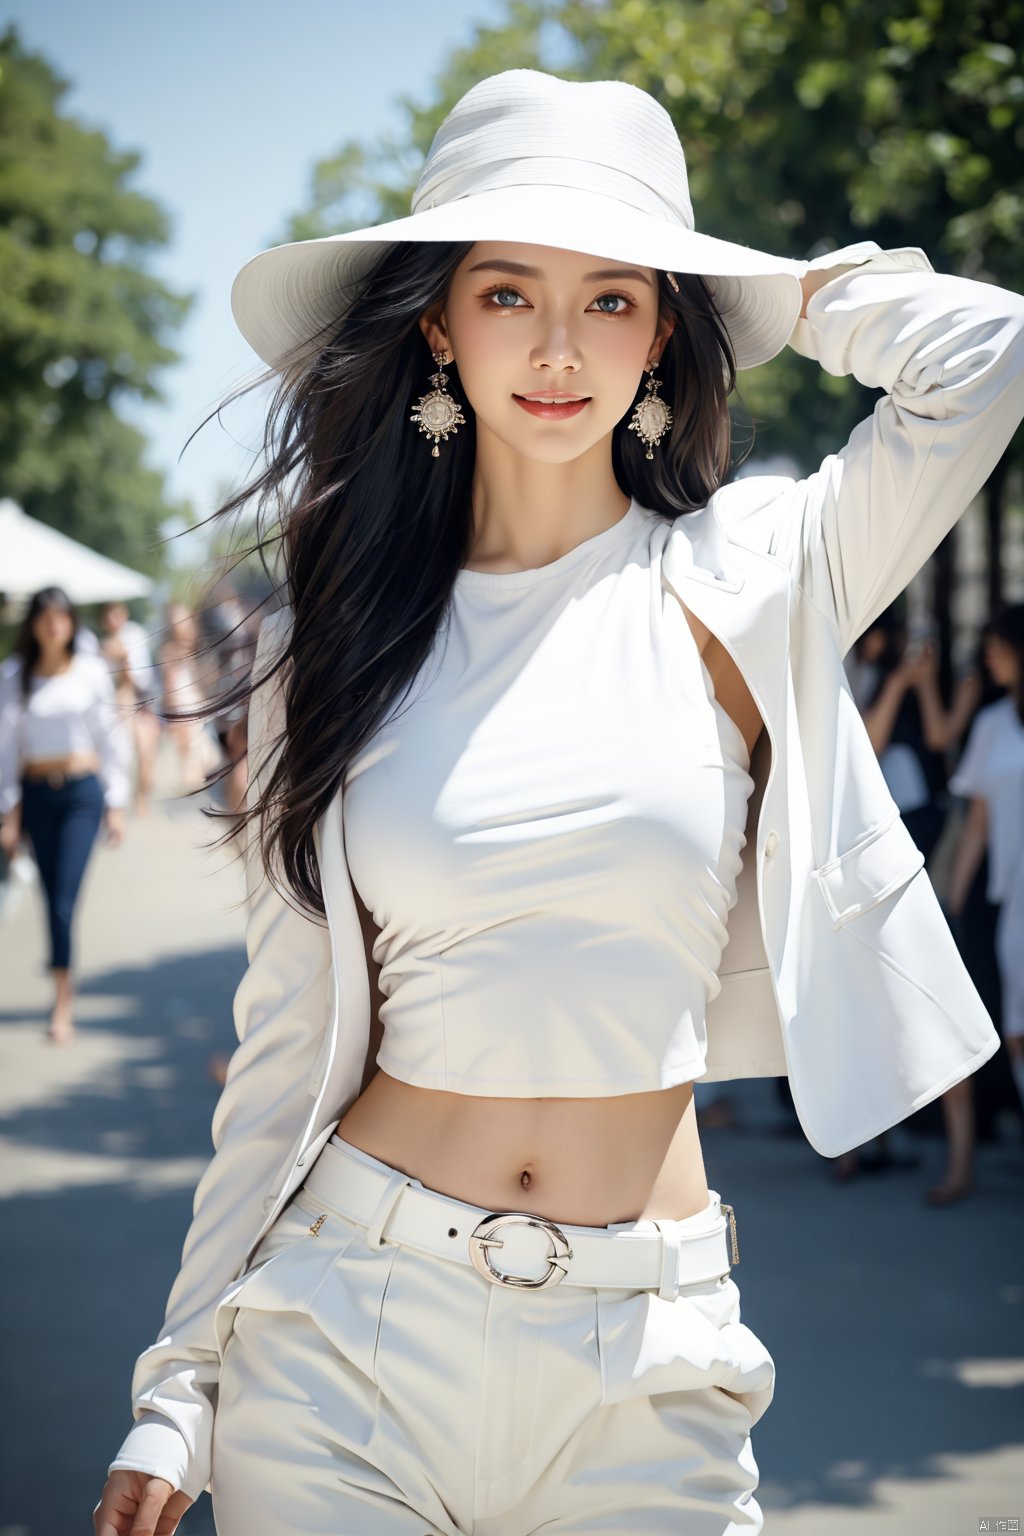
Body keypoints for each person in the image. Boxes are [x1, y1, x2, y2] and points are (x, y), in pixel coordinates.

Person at [96, 70, 1023, 1536]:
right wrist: (178, 1382)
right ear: (437, 324)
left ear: (663, 329)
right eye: (508, 291)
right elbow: (283, 1044)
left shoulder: (752, 570)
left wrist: (775, 287)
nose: (554, 346)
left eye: (610, 299)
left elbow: (991, 354)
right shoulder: (327, 640)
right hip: (346, 1335)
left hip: (651, 1362)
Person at [0, 586, 131, 1044]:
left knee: (62, 899)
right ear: (34, 625)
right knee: (49, 897)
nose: (55, 625)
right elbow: (5, 751)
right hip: (37, 795)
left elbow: (112, 738)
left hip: (82, 795)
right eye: (46, 618)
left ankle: (63, 999)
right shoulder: (15, 675)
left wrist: (116, 802)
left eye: (62, 617)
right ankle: (61, 982)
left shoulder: (91, 672)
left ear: (72, 622)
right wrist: (8, 813)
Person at [935, 604, 1024, 1205]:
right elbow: (978, 827)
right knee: (1013, 1033)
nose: (987, 657)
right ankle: (964, 1166)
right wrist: (953, 905)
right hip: (1009, 899)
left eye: (996, 645)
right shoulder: (992, 723)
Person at [100, 601, 162, 816]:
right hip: (126, 703)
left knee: (146, 753)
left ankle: (141, 797)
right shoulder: (107, 646)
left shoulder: (133, 635)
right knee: (126, 753)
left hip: (142, 701)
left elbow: (139, 677)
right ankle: (129, 799)